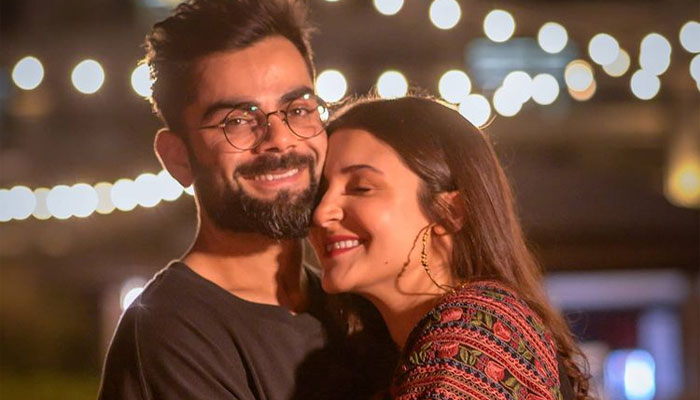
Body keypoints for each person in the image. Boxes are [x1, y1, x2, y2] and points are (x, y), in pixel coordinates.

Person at [98, 1, 395, 399]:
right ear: (178, 158)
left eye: (298, 109)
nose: (280, 140)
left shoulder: (352, 304)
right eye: (237, 121)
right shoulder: (172, 332)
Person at [311, 95, 591, 400]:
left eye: (361, 187)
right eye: (319, 193)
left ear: (450, 212)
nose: (322, 212)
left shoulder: (475, 336)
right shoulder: (389, 355)